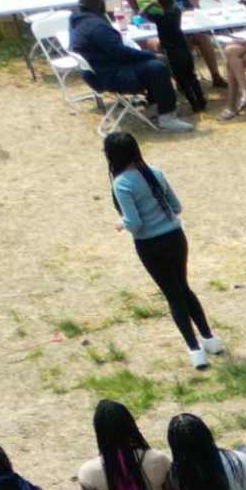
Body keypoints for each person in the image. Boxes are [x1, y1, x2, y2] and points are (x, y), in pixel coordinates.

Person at [100, 130, 221, 364]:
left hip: (150, 244)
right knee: (184, 288)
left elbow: (134, 223)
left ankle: (195, 351)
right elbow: (176, 207)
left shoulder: (121, 184)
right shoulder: (154, 173)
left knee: (173, 295)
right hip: (176, 236)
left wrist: (121, 224)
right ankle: (210, 340)